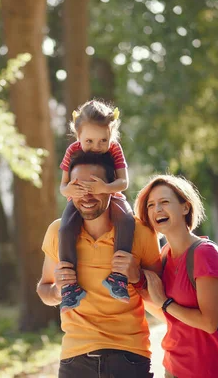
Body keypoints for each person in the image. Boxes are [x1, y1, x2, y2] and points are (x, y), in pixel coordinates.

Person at [37, 151, 161, 378]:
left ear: (111, 188)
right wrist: (57, 290)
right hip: (75, 358)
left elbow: (161, 300)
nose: (86, 195)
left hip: (130, 357)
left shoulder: (140, 232)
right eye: (78, 187)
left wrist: (138, 277)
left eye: (94, 186)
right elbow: (44, 289)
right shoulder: (57, 232)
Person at [134, 175, 218, 378]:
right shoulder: (165, 255)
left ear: (185, 208)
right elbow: (168, 315)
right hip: (173, 367)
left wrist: (165, 302)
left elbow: (209, 323)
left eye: (164, 202)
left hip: (206, 370)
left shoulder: (205, 253)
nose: (157, 209)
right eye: (151, 205)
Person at [58, 100, 135, 312]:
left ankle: (118, 276)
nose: (97, 147)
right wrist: (70, 191)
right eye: (89, 141)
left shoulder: (115, 150)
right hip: (80, 198)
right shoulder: (72, 151)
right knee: (64, 229)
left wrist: (106, 187)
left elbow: (124, 182)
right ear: (78, 136)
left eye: (103, 140)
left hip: (110, 194)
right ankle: (70, 285)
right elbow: (63, 186)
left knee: (127, 220)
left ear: (112, 136)